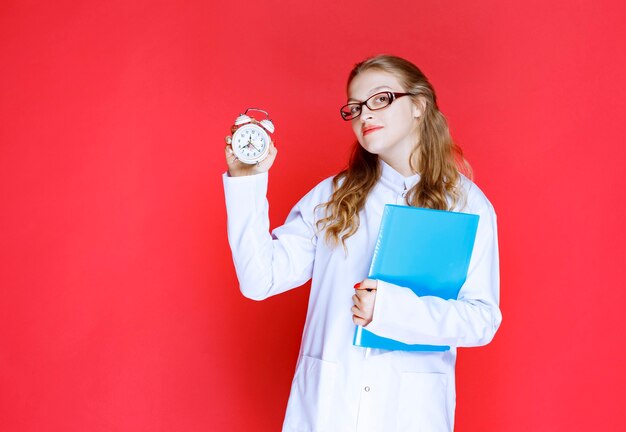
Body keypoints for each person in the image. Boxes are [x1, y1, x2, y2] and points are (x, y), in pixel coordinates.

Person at [222, 54, 501, 432]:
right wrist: (247, 182)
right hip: (329, 407)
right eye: (355, 107)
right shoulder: (332, 196)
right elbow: (260, 280)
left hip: (411, 412)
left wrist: (391, 309)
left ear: (419, 104)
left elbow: (482, 320)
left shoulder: (466, 204)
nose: (364, 114)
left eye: (380, 98)